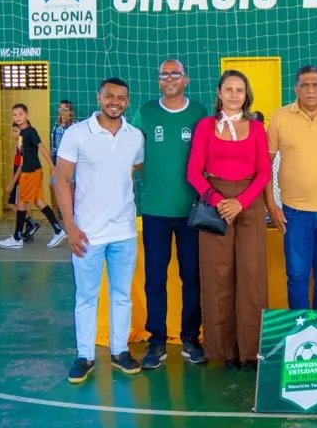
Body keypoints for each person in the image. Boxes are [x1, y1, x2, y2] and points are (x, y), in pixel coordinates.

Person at [54, 78, 145, 384]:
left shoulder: (135, 137)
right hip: (87, 235)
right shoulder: (76, 133)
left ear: (127, 102)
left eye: (121, 97)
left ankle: (120, 351)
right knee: (86, 297)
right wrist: (71, 227)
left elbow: (133, 171)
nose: (115, 101)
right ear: (99, 98)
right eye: (109, 96)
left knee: (122, 296)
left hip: (124, 232)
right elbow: (62, 180)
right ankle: (85, 356)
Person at [186, 70, 271, 370]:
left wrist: (241, 203)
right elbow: (193, 172)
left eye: (240, 90)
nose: (234, 95)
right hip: (214, 205)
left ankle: (250, 351)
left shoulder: (258, 128)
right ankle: (221, 349)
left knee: (251, 277)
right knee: (216, 276)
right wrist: (218, 201)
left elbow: (264, 172)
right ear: (219, 93)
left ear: (246, 95)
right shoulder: (205, 127)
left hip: (248, 203)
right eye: (229, 89)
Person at [130, 59, 208, 369]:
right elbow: (131, 154)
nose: (170, 78)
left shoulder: (199, 112)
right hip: (154, 211)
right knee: (155, 278)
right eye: (164, 74)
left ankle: (191, 337)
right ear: (159, 81)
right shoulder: (145, 112)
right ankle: (157, 339)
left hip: (192, 211)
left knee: (191, 276)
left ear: (186, 79)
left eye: (176, 73)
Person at [266, 65, 317, 310]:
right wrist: (271, 205)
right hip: (294, 212)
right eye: (305, 85)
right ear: (296, 89)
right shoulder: (280, 117)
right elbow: (264, 166)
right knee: (298, 275)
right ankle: (298, 331)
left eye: (316, 85)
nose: (311, 90)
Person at [0, 103, 67, 249]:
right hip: (29, 171)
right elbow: (23, 159)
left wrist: (53, 167)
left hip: (31, 172)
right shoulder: (21, 134)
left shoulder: (30, 131)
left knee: (21, 202)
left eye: (20, 114)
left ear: (26, 115)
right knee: (39, 201)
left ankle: (17, 238)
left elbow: (42, 149)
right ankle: (58, 230)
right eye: (15, 115)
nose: (17, 117)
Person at [6, 125, 39, 240]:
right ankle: (31, 226)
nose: (13, 133)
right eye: (13, 131)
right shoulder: (19, 145)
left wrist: (12, 182)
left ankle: (31, 223)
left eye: (16, 131)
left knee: (12, 204)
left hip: (20, 178)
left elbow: (21, 165)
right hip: (19, 176)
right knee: (24, 202)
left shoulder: (22, 146)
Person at [49, 99, 75, 219]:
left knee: (69, 189)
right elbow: (52, 146)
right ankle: (56, 216)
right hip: (56, 162)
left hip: (69, 162)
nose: (62, 111)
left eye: (66, 109)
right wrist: (52, 165)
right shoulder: (55, 126)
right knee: (53, 186)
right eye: (60, 108)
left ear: (70, 112)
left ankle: (72, 216)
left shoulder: (74, 127)